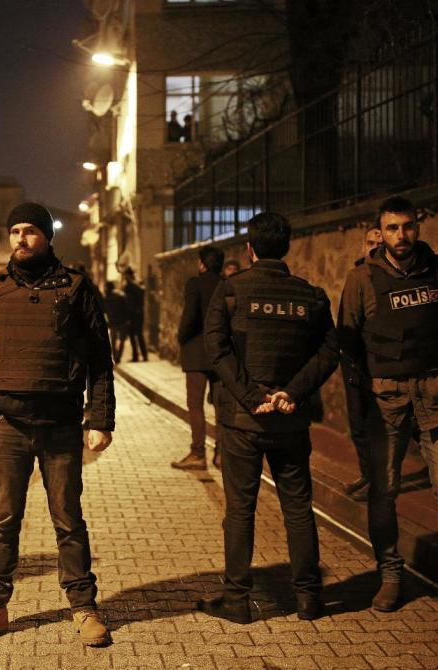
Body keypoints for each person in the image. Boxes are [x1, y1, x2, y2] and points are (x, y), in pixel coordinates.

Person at [0, 202, 116, 647]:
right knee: (3, 521)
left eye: (29, 231)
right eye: (14, 231)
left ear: (47, 237)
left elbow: (101, 361)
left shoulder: (77, 289)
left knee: (68, 519)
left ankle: (83, 607)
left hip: (61, 423)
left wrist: (99, 418)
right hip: (7, 423)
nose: (20, 239)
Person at [338, 196, 438, 612]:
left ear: (418, 227)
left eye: (407, 227)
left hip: (436, 394)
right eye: (392, 228)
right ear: (380, 231)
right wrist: (362, 401)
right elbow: (347, 341)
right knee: (384, 492)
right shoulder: (362, 280)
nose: (401, 236)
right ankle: (390, 574)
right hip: (386, 400)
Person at [198, 212, 339, 623]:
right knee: (298, 508)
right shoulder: (310, 297)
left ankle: (237, 601)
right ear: (288, 247)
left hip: (243, 423)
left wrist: (248, 395)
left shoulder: (231, 291)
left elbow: (216, 348)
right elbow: (330, 351)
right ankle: (309, 598)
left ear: (249, 248)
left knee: (240, 510)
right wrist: (292, 392)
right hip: (290, 421)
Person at [340, 226, 383, 501]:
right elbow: (346, 320)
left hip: (377, 364)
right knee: (358, 422)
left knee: (376, 424)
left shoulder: (387, 277)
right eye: (369, 242)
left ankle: (378, 480)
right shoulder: (356, 275)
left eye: (378, 243)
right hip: (355, 363)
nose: (373, 248)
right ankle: (368, 475)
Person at [173, 245, 224, 471]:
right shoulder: (227, 285)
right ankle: (221, 454)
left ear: (202, 264)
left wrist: (181, 338)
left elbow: (190, 317)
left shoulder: (195, 284)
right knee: (222, 406)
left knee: (195, 405)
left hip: (196, 352)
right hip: (221, 354)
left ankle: (198, 453)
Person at [122, 267, 148, 362]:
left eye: (125, 275)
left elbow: (126, 302)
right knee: (138, 334)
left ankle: (136, 356)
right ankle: (143, 355)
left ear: (128, 275)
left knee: (134, 335)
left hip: (132, 314)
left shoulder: (129, 286)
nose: (124, 277)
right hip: (139, 313)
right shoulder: (138, 285)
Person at [103, 280, 129, 363]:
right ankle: (119, 356)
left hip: (113, 321)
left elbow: (105, 310)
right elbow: (125, 308)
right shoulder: (121, 296)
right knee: (122, 339)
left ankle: (115, 355)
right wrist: (127, 319)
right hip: (122, 320)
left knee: (113, 340)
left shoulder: (106, 298)